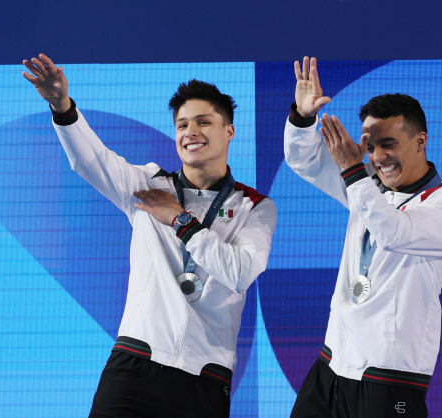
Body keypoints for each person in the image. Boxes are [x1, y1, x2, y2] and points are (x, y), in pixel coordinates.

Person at [22, 54, 277, 418]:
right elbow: (91, 161)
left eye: (204, 122)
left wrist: (180, 221)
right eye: (182, 124)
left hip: (204, 375)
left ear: (229, 131)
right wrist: (61, 105)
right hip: (135, 363)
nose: (191, 132)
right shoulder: (148, 184)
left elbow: (240, 271)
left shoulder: (255, 207)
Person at [285, 57, 442, 417]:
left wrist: (355, 171)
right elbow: (303, 160)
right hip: (333, 362)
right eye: (369, 147)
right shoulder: (367, 185)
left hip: (389, 375)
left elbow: (393, 232)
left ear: (421, 140)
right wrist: (303, 118)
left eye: (388, 144)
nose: (377, 157)